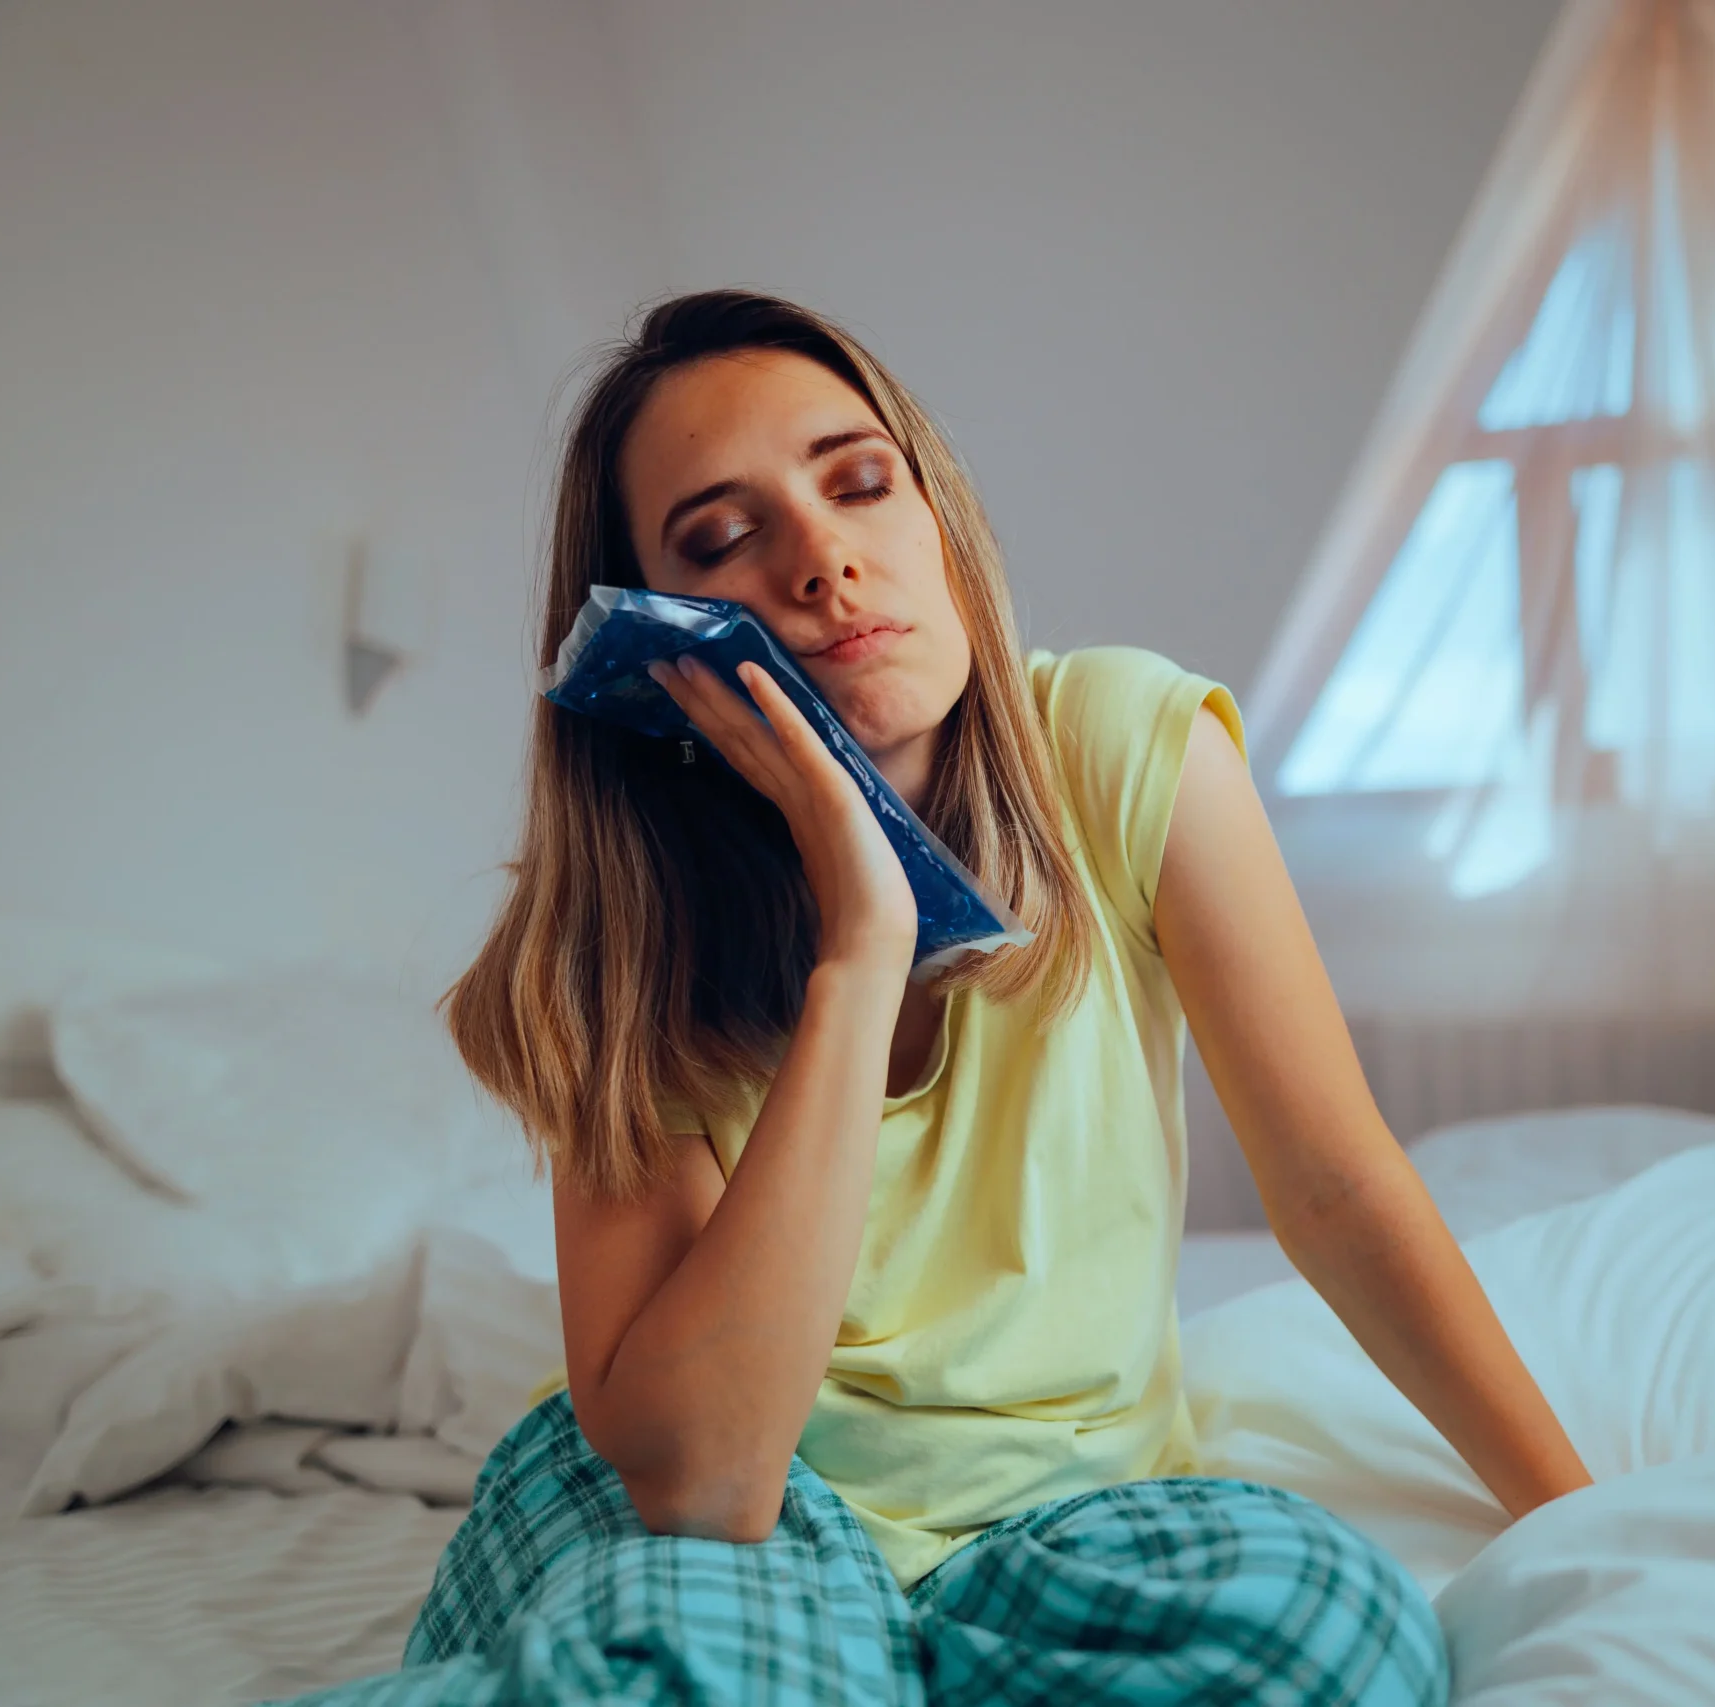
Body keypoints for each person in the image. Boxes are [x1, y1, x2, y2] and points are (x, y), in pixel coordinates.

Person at [290, 290, 1590, 1707]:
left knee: (1338, 1632)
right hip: (743, 1510)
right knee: (717, 1672)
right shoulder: (625, 937)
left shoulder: (1123, 743)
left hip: (1067, 1516)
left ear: (942, 518)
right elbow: (709, 1474)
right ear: (652, 646)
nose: (825, 559)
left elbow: (1338, 1190)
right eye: (723, 539)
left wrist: (1579, 1513)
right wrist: (861, 941)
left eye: (861, 483)